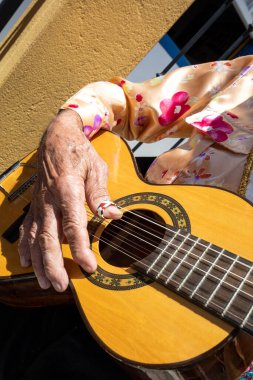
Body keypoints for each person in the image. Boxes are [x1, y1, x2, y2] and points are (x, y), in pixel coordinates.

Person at [16, 55, 253, 379]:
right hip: (62, 277)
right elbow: (123, 102)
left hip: (154, 359)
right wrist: (64, 137)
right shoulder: (246, 83)